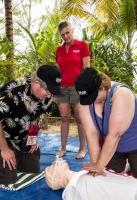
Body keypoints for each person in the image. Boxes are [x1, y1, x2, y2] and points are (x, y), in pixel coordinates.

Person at [0, 65, 62, 186]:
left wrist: (32, 139)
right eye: (48, 91)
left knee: (32, 173)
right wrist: (4, 149)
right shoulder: (10, 91)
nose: (50, 96)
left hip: (23, 136)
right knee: (6, 180)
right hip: (1, 135)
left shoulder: (47, 96)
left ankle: (7, 161)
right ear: (36, 83)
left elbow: (38, 117)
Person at [75, 68, 137, 184]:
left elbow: (115, 134)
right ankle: (128, 164)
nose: (90, 101)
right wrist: (95, 165)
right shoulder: (85, 100)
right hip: (114, 144)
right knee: (110, 176)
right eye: (86, 98)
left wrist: (99, 165)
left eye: (93, 96)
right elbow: (92, 134)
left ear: (103, 87)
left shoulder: (121, 93)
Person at [44, 154, 137, 200]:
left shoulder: (81, 175)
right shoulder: (71, 189)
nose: (58, 164)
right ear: (56, 180)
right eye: (53, 169)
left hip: (136, 189)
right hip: (133, 192)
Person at [55, 21, 91, 159]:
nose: (66, 36)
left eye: (67, 32)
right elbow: (58, 70)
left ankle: (82, 149)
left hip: (77, 87)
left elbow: (86, 69)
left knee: (79, 118)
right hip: (62, 88)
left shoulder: (82, 45)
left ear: (72, 30)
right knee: (64, 118)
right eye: (63, 34)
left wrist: (85, 87)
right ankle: (63, 148)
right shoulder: (59, 50)